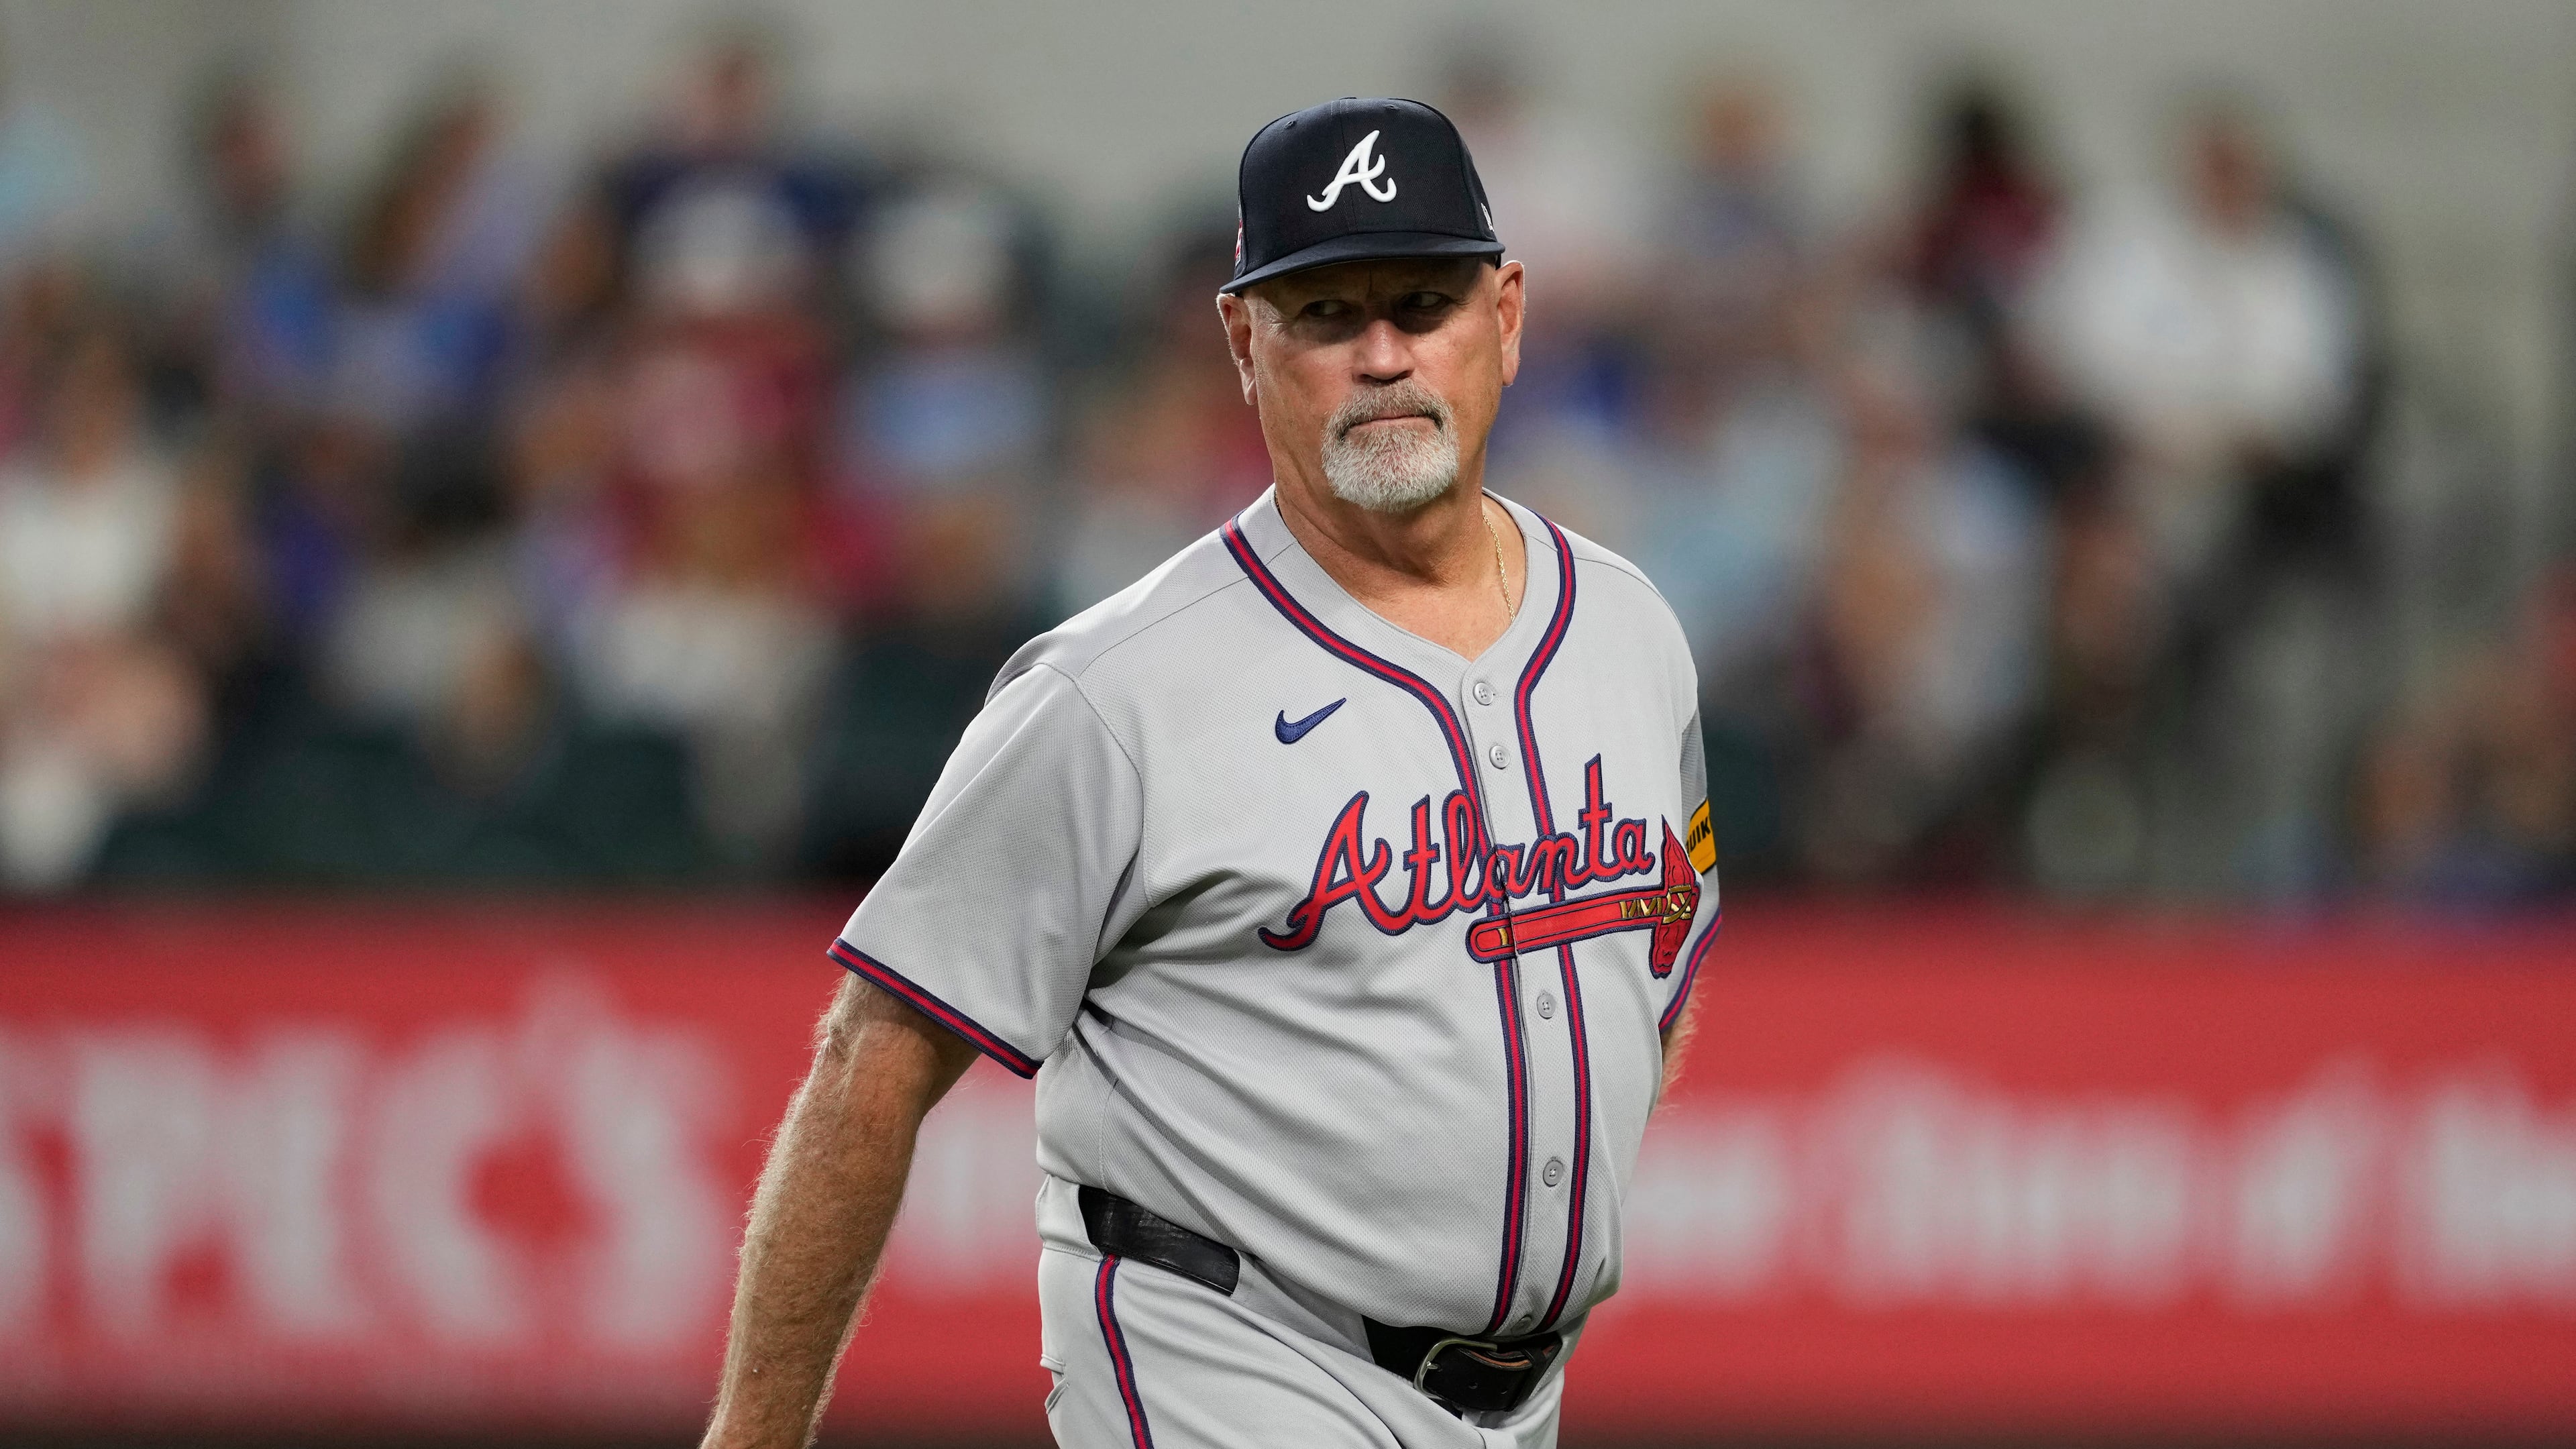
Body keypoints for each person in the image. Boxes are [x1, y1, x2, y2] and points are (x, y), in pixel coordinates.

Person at [700, 98, 1719, 1449]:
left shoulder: (1628, 628)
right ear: (1245, 342)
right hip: (1224, 1363)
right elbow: (871, 1062)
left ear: (1507, 315)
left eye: (1421, 301)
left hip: (1518, 1403)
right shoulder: (1115, 691)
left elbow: (1658, 957)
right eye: (1323, 314)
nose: (1381, 355)